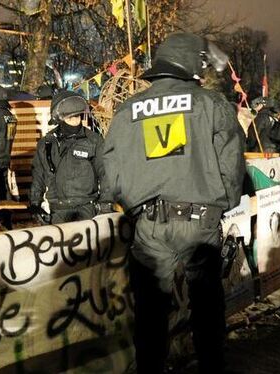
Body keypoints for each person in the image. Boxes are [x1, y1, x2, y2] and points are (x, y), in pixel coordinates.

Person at [100, 32, 245, 373]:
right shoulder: (212, 104)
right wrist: (220, 202)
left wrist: (135, 205)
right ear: (192, 65)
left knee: (150, 314)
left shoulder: (127, 110)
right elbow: (232, 163)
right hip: (201, 221)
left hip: (150, 225)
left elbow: (110, 171)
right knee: (207, 309)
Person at [29, 91, 104, 224]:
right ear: (60, 118)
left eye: (78, 116)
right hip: (58, 211)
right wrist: (35, 204)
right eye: (70, 117)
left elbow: (105, 173)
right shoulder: (47, 143)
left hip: (86, 209)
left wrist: (106, 203)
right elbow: (38, 175)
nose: (75, 121)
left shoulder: (93, 140)